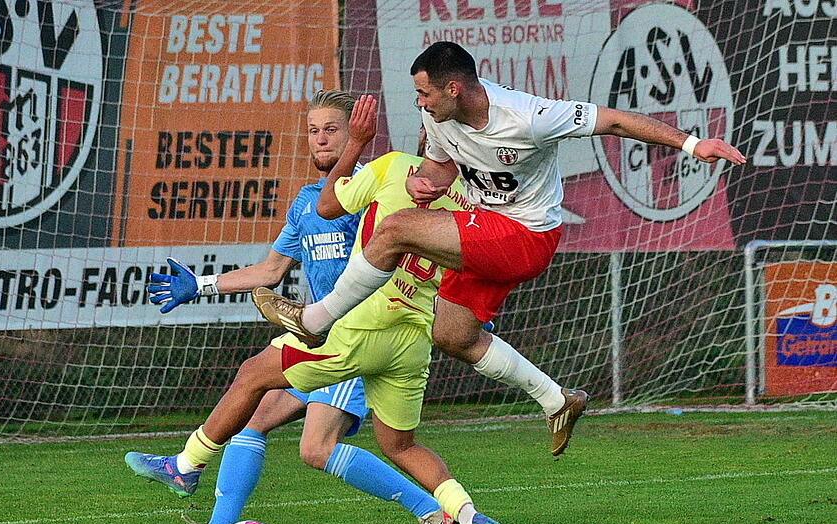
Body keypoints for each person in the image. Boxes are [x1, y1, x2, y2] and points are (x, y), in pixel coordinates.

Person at [252, 41, 748, 457]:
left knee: (397, 228)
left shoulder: (527, 116)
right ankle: (556, 399)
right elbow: (442, 167)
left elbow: (614, 122)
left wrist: (691, 144)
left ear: (454, 88)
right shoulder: (441, 120)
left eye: (424, 92)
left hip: (527, 236)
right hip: (488, 230)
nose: (419, 102)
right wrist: (428, 181)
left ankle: (314, 321)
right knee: (451, 334)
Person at [130, 94, 505, 524]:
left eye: (332, 129)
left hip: (358, 333)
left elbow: (422, 247)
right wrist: (203, 284)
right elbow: (271, 270)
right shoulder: (309, 202)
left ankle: (432, 511)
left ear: (356, 135)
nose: (321, 139)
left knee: (311, 440)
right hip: (318, 334)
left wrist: (461, 313)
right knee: (257, 419)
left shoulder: (373, 189)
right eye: (313, 130)